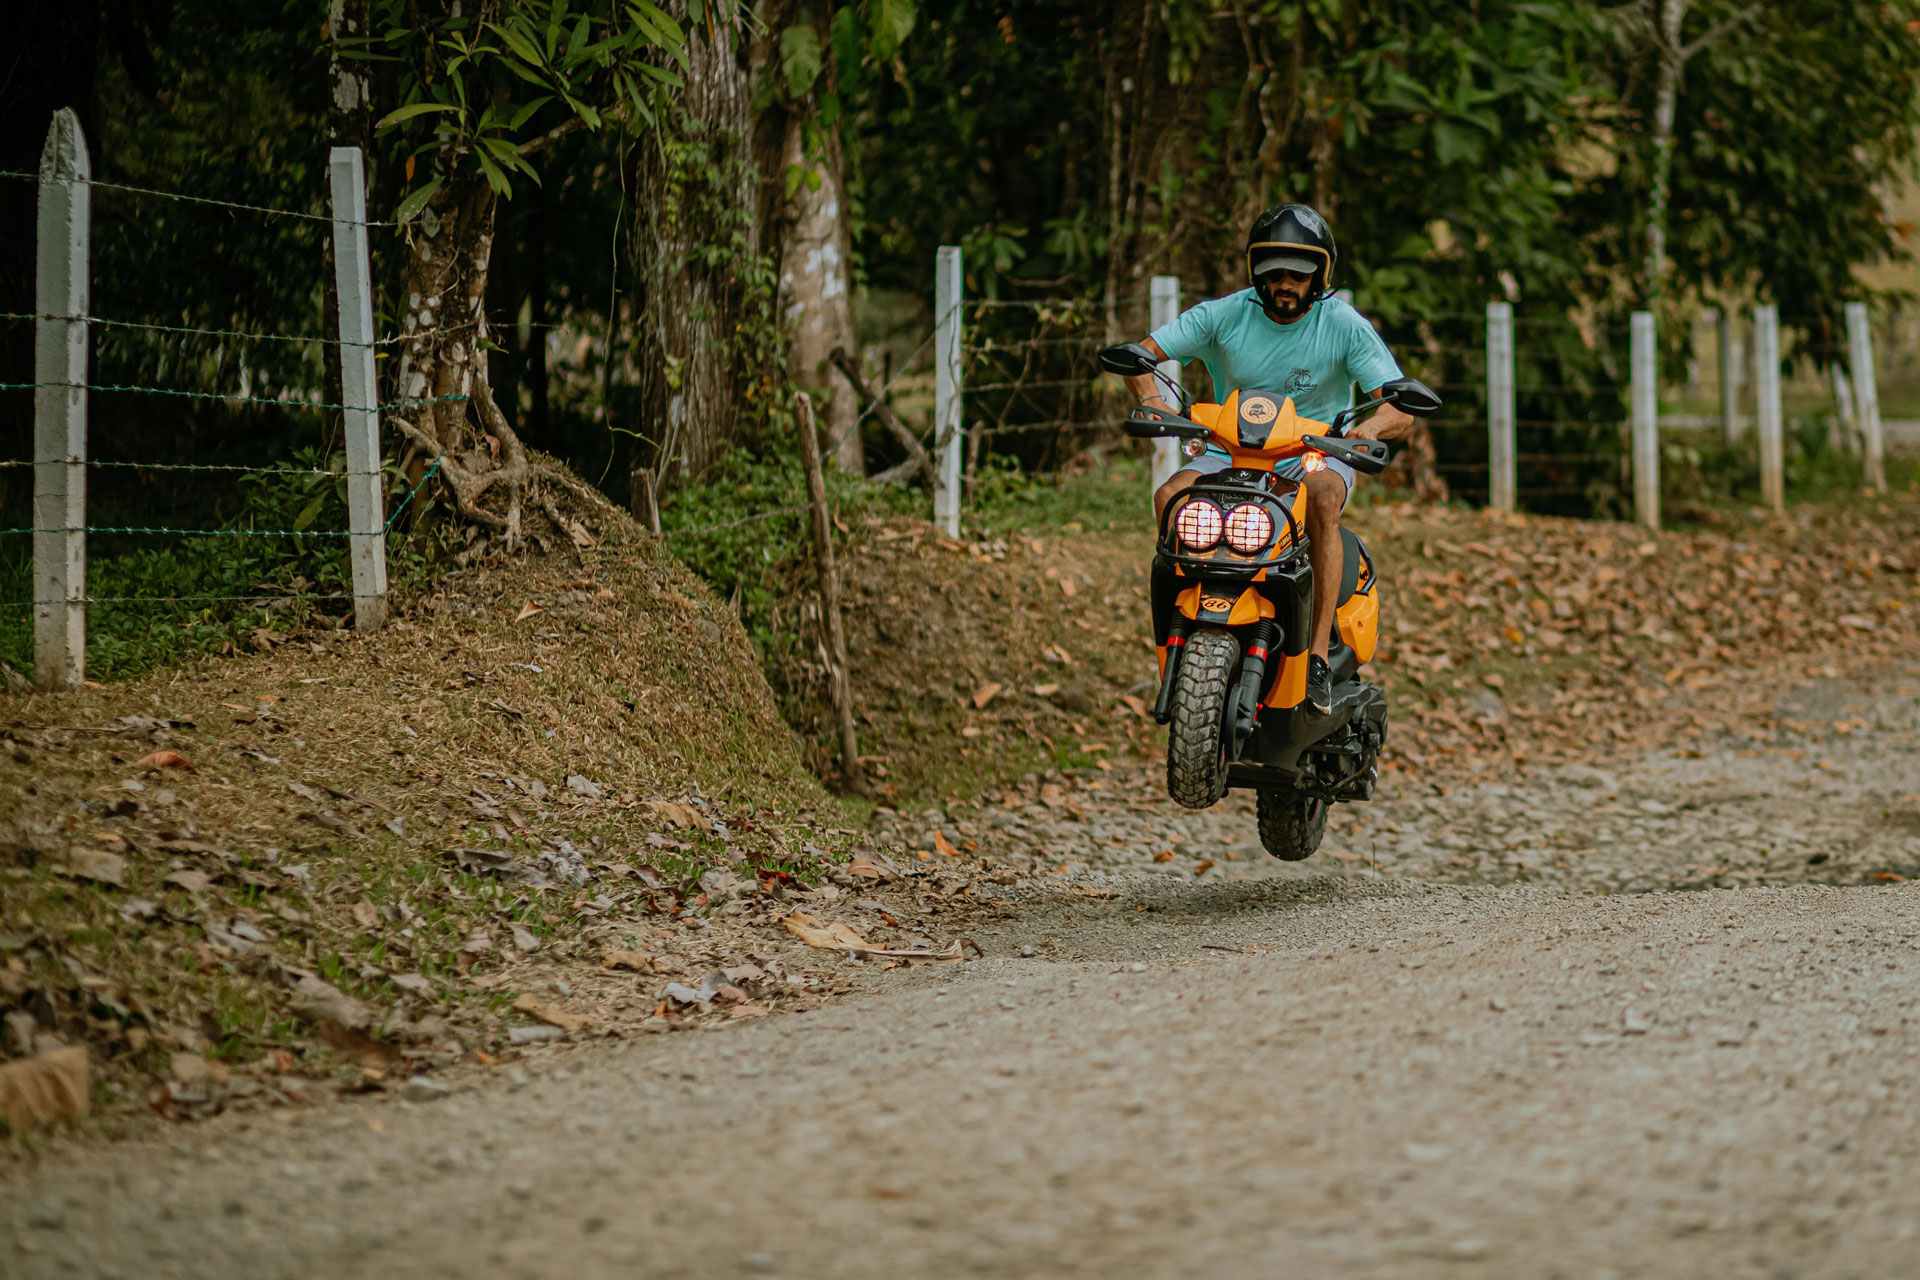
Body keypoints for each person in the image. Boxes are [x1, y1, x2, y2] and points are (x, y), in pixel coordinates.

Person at [1122, 202, 1413, 717]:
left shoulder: (1342, 322)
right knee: (1169, 496)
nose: (1285, 283)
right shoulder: (1222, 314)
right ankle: (1178, 640)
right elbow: (1142, 355)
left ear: (1319, 275)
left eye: (1298, 274)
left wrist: (1366, 430)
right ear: (1256, 272)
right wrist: (1150, 398)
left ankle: (1318, 655)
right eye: (1273, 272)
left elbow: (1397, 403)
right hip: (1226, 451)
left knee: (1323, 500)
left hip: (1315, 455)